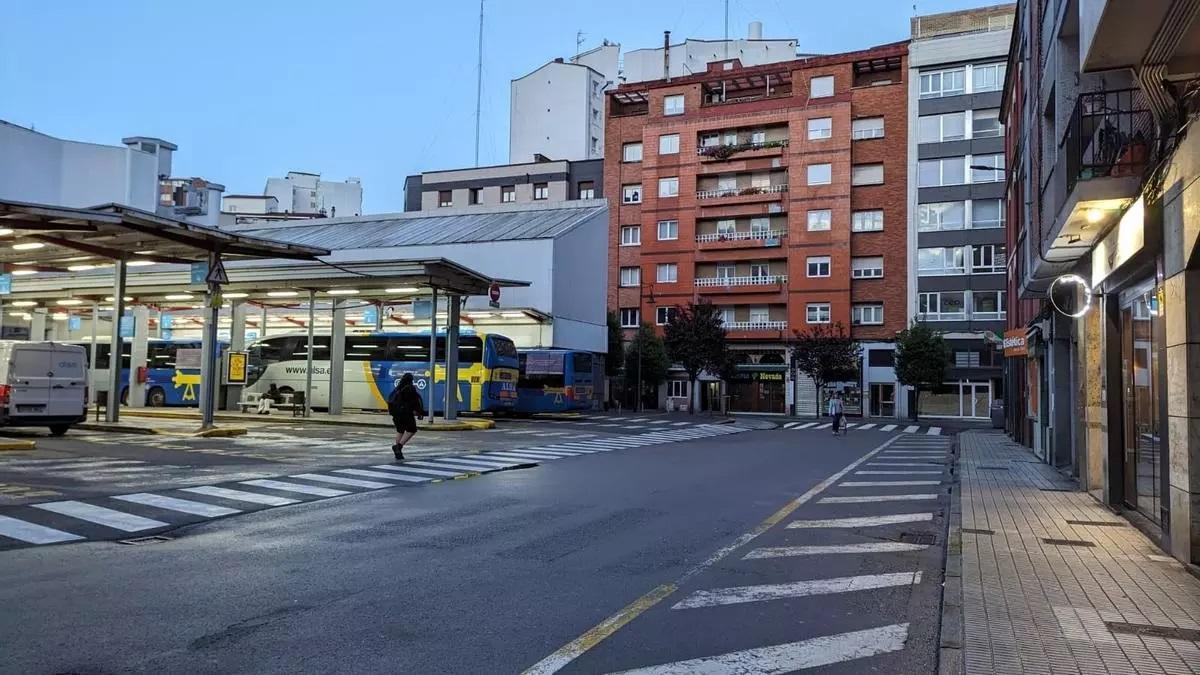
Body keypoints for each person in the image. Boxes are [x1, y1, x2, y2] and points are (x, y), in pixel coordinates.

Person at [387, 373, 427, 461]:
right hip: (406, 414)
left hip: (396, 414)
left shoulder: (398, 388)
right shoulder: (410, 389)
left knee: (400, 430)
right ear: (411, 381)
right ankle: (398, 446)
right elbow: (415, 403)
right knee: (412, 430)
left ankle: (398, 452)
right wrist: (421, 413)